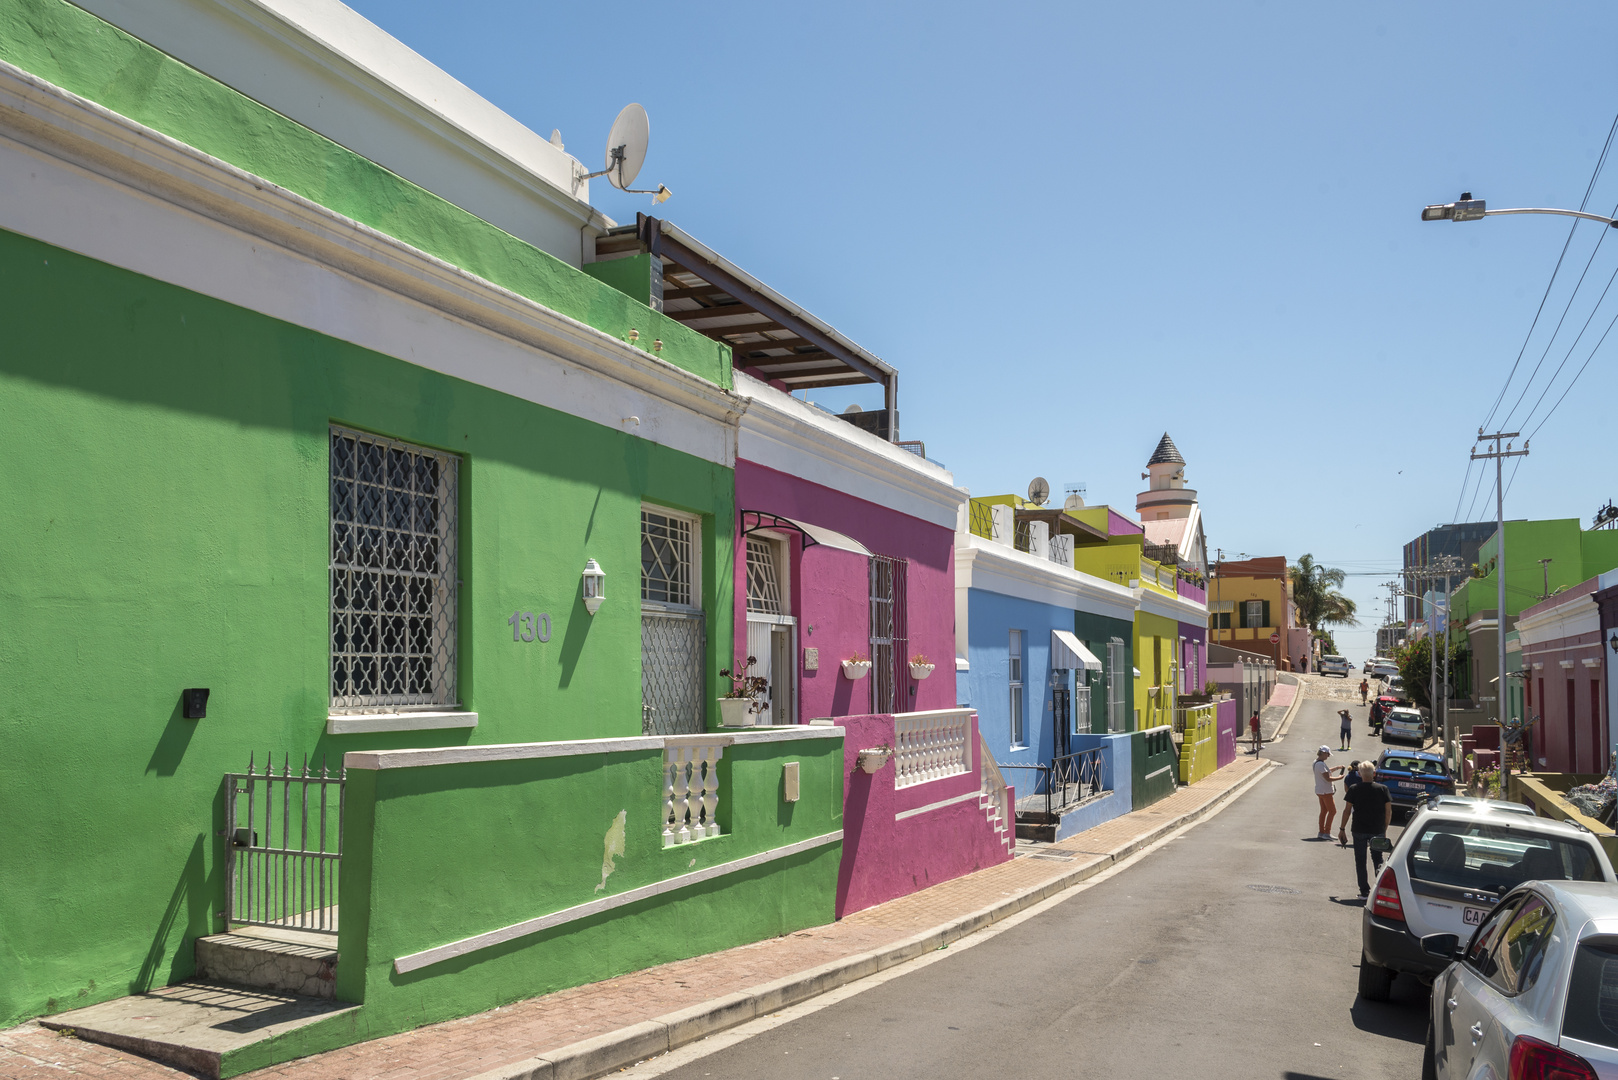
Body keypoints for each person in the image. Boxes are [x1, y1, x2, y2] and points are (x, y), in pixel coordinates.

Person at [1339, 761, 1394, 897]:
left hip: (1358, 829)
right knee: (1378, 859)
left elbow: (1346, 811)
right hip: (1377, 829)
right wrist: (1384, 829)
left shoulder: (1354, 788)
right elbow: (1388, 812)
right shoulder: (1383, 789)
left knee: (1360, 860)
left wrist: (1342, 829)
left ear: (1359, 774)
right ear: (1374, 773)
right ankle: (1380, 889)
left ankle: (1364, 891)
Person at [1313, 746, 1346, 838]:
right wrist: (1339, 778)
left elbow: (1326, 772)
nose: (1328, 756)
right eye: (1327, 754)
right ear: (1323, 753)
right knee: (1332, 811)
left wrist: (1336, 768)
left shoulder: (1317, 762)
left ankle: (1321, 832)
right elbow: (1327, 778)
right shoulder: (1320, 764)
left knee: (1324, 811)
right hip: (1325, 791)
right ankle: (1327, 832)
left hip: (1320, 790)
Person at [1338, 760, 1362, 845]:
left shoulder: (1348, 777)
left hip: (1352, 801)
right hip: (1362, 800)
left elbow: (1346, 790)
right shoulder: (1361, 776)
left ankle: (1357, 837)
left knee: (1354, 818)